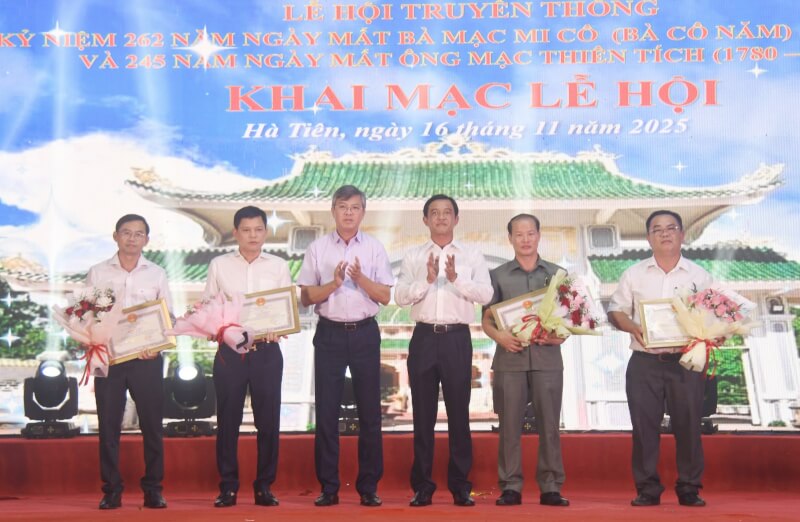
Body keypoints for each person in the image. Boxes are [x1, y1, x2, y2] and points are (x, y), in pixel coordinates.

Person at [607, 210, 712, 508]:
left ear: (682, 235)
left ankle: (689, 487)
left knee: (689, 425)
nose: (664, 234)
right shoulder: (634, 274)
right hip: (644, 362)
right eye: (657, 229)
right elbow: (616, 311)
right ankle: (647, 489)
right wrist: (633, 327)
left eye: (671, 228)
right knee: (643, 427)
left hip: (686, 362)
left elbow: (714, 313)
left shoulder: (700, 276)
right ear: (648, 237)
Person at [297, 185, 393, 507]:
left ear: (363, 212)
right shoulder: (318, 249)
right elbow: (305, 297)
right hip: (330, 335)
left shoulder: (375, 248)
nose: (348, 212)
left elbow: (384, 296)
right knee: (326, 413)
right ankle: (329, 487)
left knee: (370, 414)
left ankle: (369, 487)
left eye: (354, 207)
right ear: (333, 211)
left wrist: (361, 279)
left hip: (365, 334)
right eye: (342, 207)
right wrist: (335, 284)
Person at [395, 194, 493, 507]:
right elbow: (399, 297)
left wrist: (455, 278)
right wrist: (425, 281)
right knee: (422, 415)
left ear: (456, 218)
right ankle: (423, 486)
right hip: (423, 337)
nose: (440, 217)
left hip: (456, 339)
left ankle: (460, 485)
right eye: (434, 213)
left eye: (446, 212)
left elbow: (487, 293)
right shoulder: (413, 256)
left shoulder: (472, 255)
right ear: (425, 219)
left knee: (458, 415)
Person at [203, 206, 291, 508]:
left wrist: (281, 326)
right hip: (230, 354)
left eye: (258, 230)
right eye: (246, 230)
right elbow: (208, 307)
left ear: (265, 232)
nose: (252, 235)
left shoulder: (278, 265)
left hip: (267, 351)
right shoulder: (219, 265)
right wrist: (218, 328)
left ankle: (264, 486)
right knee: (228, 421)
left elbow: (284, 306)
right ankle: (227, 487)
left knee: (269, 422)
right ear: (236, 232)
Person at [481, 213, 570, 507]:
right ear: (510, 239)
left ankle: (551, 487)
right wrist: (500, 337)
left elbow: (569, 319)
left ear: (539, 235)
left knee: (550, 426)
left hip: (548, 359)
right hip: (510, 360)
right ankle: (510, 486)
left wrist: (558, 336)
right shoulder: (498, 275)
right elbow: (486, 320)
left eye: (530, 233)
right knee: (509, 427)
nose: (525, 239)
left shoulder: (558, 274)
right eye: (518, 234)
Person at [86, 214, 173, 510]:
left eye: (139, 234)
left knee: (152, 425)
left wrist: (156, 344)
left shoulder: (157, 274)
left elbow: (168, 316)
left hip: (146, 358)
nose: (132, 238)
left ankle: (153, 490)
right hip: (109, 358)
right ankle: (111, 490)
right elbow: (88, 314)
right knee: (108, 425)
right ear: (115, 236)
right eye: (126, 233)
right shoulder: (98, 272)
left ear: (146, 240)